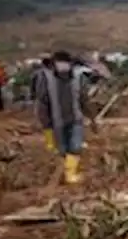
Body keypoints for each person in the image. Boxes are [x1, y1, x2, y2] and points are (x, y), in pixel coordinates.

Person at [36, 50, 93, 184]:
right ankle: (61, 174)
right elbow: (43, 102)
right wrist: (46, 126)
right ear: (53, 65)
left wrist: (92, 118)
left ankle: (70, 175)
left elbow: (84, 99)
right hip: (57, 122)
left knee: (75, 146)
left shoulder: (78, 78)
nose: (63, 66)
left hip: (75, 119)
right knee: (61, 150)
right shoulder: (46, 79)